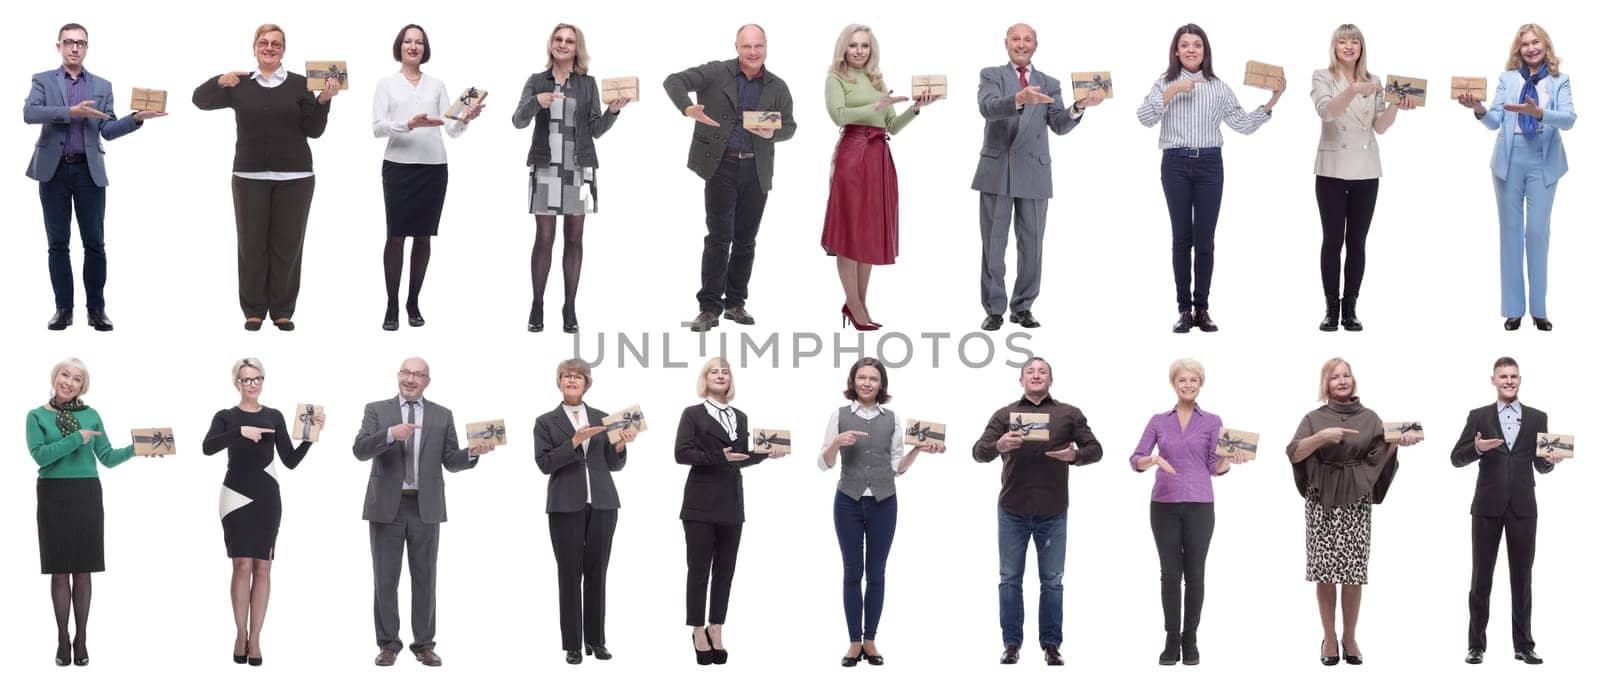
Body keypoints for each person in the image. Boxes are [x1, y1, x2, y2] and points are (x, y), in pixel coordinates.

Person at [193, 23, 340, 332]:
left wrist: (325, 101)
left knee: (287, 245)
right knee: (251, 245)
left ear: (283, 50)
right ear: (254, 47)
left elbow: (313, 130)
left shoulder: (301, 84)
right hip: (249, 175)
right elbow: (199, 100)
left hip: (296, 176)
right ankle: (254, 310)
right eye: (264, 42)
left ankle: (283, 310)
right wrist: (220, 80)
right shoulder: (240, 84)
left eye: (276, 44)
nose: (270, 48)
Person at [1136, 23, 1281, 333]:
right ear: (1176, 50)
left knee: (1204, 239)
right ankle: (1183, 311)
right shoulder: (1163, 83)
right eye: (1185, 45)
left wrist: (1272, 100)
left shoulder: (1218, 86)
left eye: (1197, 45)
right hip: (1174, 164)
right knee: (1181, 238)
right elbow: (1144, 118)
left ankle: (1202, 309)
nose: (1191, 50)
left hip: (1210, 166)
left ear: (1205, 51)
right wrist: (1172, 91)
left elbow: (1241, 124)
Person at [352, 357, 495, 667]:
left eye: (419, 374)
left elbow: (451, 460)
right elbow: (360, 450)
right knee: (385, 579)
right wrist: (391, 434)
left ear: (428, 381)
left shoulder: (442, 415)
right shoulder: (377, 410)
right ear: (398, 375)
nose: (411, 379)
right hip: (386, 506)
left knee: (425, 577)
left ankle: (424, 645)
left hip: (425, 506)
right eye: (406, 372)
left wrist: (472, 452)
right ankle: (388, 644)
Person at [24, 23, 163, 332]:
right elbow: (30, 113)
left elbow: (108, 130)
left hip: (89, 171)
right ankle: (63, 310)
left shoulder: (102, 85)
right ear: (58, 46)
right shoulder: (43, 80)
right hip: (54, 170)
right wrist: (71, 111)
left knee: (95, 244)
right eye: (69, 42)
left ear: (87, 48)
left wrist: (135, 119)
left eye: (81, 43)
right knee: (58, 244)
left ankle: (96, 310)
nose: (75, 48)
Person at [664, 24, 797, 332]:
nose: (753, 52)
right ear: (737, 47)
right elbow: (673, 81)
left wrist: (773, 131)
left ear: (766, 47)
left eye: (758, 46)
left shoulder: (778, 86)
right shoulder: (716, 72)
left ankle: (735, 303)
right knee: (719, 237)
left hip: (756, 170)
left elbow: (790, 126)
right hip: (721, 167)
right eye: (747, 46)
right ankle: (709, 307)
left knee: (746, 240)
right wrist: (687, 107)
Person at [27, 357, 159, 666]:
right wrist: (76, 439)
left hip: (87, 493)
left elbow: (109, 458)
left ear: (82, 386)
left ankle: (81, 638)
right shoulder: (35, 416)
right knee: (59, 570)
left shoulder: (92, 415)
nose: (69, 382)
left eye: (77, 379)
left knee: (83, 569)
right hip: (53, 494)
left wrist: (139, 449)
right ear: (54, 376)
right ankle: (61, 638)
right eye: (65, 374)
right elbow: (41, 457)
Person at [972, 23, 1103, 332]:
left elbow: (1058, 124)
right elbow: (986, 108)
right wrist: (1018, 99)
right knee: (993, 244)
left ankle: (1023, 307)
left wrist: (1078, 107)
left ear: (1035, 45)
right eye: (1015, 38)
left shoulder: (1050, 82)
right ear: (1006, 43)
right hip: (997, 170)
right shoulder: (991, 75)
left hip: (1034, 170)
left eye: (1027, 39)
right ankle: (994, 309)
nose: (1021, 44)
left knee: (1032, 245)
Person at [1286, 357, 1416, 666]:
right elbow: (1294, 452)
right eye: (1335, 377)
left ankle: (1350, 637)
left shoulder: (1370, 417)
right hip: (1322, 501)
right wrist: (1321, 437)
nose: (1342, 381)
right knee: (1325, 570)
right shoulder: (1313, 417)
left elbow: (1379, 454)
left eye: (1346, 375)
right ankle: (1329, 638)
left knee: (1353, 571)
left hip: (1356, 500)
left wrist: (1398, 444)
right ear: (1326, 384)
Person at [972, 356, 1102, 666]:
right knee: (1009, 579)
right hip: (1012, 509)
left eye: (1042, 371)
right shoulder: (1005, 415)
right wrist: (998, 446)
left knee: (1052, 581)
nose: (1036, 375)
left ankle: (1051, 645)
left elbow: (1095, 449)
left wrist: (1075, 455)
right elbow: (978, 452)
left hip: (1053, 510)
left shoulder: (1068, 413)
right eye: (1030, 371)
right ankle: (1012, 644)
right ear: (1021, 380)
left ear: (1051, 380)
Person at [818, 357, 943, 666]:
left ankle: (870, 641)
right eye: (862, 377)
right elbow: (824, 463)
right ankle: (853, 642)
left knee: (876, 574)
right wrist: (836, 443)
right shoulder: (839, 415)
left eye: (873, 378)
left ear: (881, 384)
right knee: (852, 572)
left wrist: (916, 451)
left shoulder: (892, 418)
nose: (867, 383)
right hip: (848, 499)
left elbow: (896, 467)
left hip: (884, 502)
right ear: (853, 381)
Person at [201, 357, 323, 666]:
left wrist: (310, 437)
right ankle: (239, 633)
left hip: (267, 496)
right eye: (246, 379)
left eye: (257, 378)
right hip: (235, 495)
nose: (252, 384)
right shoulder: (226, 416)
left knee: (264, 567)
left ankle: (255, 639)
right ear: (236, 383)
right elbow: (207, 447)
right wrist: (239, 432)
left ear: (263, 380)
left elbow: (290, 460)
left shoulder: (274, 416)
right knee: (241, 565)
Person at [1128, 358, 1250, 665]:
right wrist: (1154, 460)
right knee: (1170, 574)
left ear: (1201, 384)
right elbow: (1135, 458)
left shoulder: (1212, 421)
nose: (1188, 385)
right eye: (1182, 380)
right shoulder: (1159, 420)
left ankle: (1191, 639)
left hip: (1200, 505)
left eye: (1193, 380)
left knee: (1195, 573)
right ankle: (1172, 639)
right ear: (1174, 384)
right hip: (1164, 505)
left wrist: (1227, 461)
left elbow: (1214, 465)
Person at [1455, 24, 1575, 332]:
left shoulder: (1560, 81)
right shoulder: (1508, 78)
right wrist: (1478, 108)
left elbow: (1570, 119)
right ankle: (1513, 309)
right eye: (1525, 44)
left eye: (1536, 42)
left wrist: (1540, 114)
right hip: (1510, 160)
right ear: (1517, 50)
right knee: (1510, 234)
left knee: (1537, 234)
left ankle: (1539, 310)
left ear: (1545, 46)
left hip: (1543, 159)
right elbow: (1495, 120)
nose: (1531, 48)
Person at [513, 23, 629, 334]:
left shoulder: (587, 85)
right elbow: (517, 121)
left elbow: (595, 130)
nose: (563, 44)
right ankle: (537, 303)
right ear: (551, 43)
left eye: (569, 41)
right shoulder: (537, 81)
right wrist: (537, 101)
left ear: (577, 48)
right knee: (544, 239)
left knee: (575, 239)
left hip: (579, 168)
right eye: (558, 39)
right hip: (546, 166)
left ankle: (569, 304)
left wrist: (613, 112)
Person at [820, 24, 936, 330]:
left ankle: (859, 303)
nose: (859, 51)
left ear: (872, 50)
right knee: (849, 232)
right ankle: (854, 305)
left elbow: (892, 127)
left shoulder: (876, 78)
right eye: (854, 45)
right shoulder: (835, 77)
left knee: (869, 232)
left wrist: (916, 109)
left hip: (878, 156)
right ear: (844, 47)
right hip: (853, 153)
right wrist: (875, 105)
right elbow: (839, 115)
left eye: (865, 46)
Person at [673, 357, 787, 665]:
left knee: (725, 570)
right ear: (705, 379)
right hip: (699, 502)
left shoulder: (740, 416)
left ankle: (717, 627)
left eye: (725, 372)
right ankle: (697, 630)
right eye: (714, 371)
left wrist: (764, 455)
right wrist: (716, 455)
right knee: (698, 570)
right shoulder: (693, 414)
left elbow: (738, 457)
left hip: (731, 502)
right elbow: (681, 454)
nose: (720, 375)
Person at [1449, 356, 1561, 665]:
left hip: (1524, 507)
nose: (1508, 380)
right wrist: (1477, 449)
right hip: (1486, 506)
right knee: (1480, 579)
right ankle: (1476, 645)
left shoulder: (1539, 417)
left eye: (1513, 376)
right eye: (1503, 376)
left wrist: (1549, 462)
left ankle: (1524, 645)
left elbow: (1540, 464)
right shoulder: (1479, 416)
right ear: (1493, 380)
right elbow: (1456, 458)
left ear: (1520, 379)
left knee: (1522, 578)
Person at [372, 24, 483, 331]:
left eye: (419, 42)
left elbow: (450, 128)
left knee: (423, 236)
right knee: (395, 236)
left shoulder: (436, 84)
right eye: (408, 41)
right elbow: (377, 127)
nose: (413, 46)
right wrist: (407, 124)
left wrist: (466, 119)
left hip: (434, 167)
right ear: (399, 46)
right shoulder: (386, 84)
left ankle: (413, 301)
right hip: (398, 167)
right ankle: (392, 304)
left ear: (425, 48)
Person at [1310, 24, 1413, 332]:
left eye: (1354, 41)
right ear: (1334, 47)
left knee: (1357, 241)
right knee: (1332, 240)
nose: (1349, 46)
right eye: (1342, 41)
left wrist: (1395, 105)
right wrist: (1352, 89)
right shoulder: (1321, 76)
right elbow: (1327, 112)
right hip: (1331, 168)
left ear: (1361, 47)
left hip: (1366, 170)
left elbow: (1379, 126)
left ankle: (1350, 308)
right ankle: (1331, 308)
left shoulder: (1375, 80)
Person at [533, 359, 636, 664]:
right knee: (569, 575)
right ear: (559, 381)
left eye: (578, 377)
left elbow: (614, 465)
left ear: (586, 383)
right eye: (566, 376)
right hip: (565, 506)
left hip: (603, 504)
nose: (572, 380)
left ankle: (596, 640)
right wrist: (574, 442)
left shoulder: (605, 418)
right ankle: (573, 645)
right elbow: (544, 464)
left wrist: (620, 447)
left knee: (597, 574)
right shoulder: (545, 421)